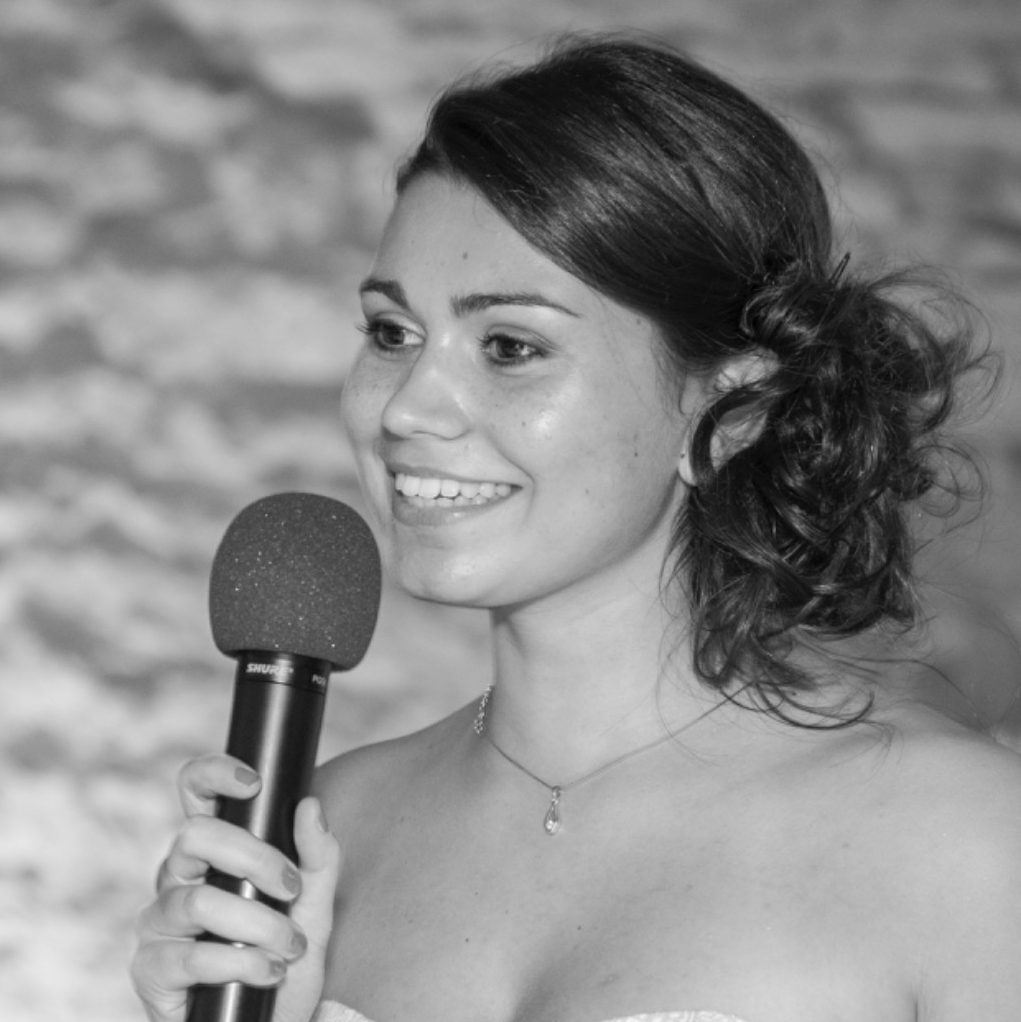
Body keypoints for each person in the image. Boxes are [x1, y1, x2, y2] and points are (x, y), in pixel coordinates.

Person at [130, 33, 1021, 1022]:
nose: (407, 407)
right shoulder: (322, 829)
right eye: (391, 333)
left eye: (509, 346)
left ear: (731, 408)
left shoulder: (964, 843)